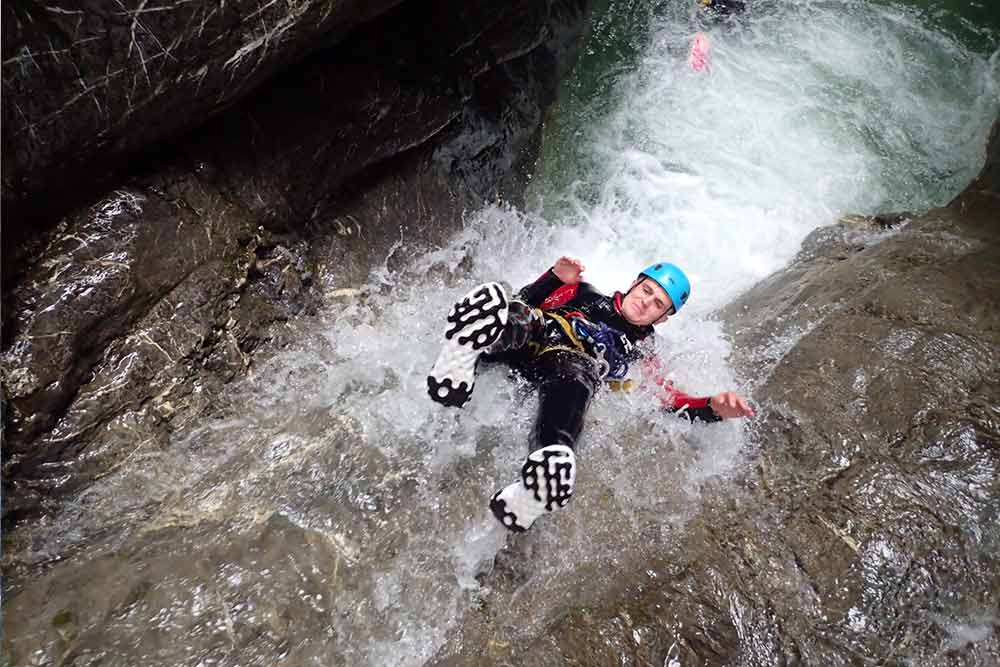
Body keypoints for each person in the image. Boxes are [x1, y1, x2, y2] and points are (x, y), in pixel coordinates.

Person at [426, 257, 754, 532]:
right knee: (519, 317)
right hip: (533, 338)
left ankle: (543, 473)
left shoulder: (644, 353)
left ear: (663, 318)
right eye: (646, 290)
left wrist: (711, 407)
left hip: (566, 370)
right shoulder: (582, 292)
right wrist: (553, 279)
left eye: (657, 304)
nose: (645, 301)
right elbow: (528, 301)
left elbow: (665, 400)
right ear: (635, 284)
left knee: (579, 382)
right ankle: (465, 357)